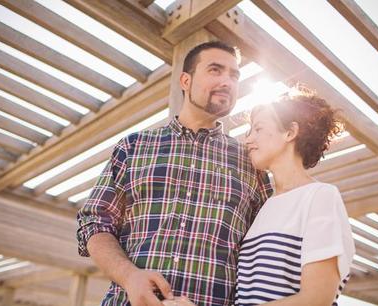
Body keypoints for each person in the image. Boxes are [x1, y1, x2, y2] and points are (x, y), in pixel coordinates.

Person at [76, 41, 273, 306]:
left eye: (234, 75)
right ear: (185, 80)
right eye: (215, 70)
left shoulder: (251, 162)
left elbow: (266, 250)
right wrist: (130, 277)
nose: (227, 81)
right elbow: (95, 223)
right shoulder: (134, 147)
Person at [168, 86, 355, 306]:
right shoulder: (265, 207)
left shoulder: (320, 196)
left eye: (258, 129)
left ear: (290, 132)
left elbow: (316, 299)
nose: (247, 140)